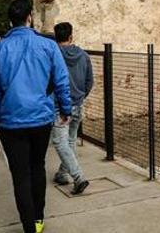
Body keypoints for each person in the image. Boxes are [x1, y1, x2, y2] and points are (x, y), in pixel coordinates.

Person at [0, 0, 71, 233]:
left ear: (10, 20)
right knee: (37, 167)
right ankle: (39, 218)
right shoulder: (49, 46)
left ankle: (28, 225)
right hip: (40, 119)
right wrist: (66, 109)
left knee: (20, 174)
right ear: (30, 17)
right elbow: (61, 80)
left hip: (11, 122)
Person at [51, 22, 93, 194]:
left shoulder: (54, 55)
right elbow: (89, 81)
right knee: (70, 141)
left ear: (56, 37)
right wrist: (80, 96)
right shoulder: (84, 56)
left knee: (60, 142)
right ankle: (62, 173)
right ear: (71, 36)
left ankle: (78, 177)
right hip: (78, 104)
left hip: (60, 106)